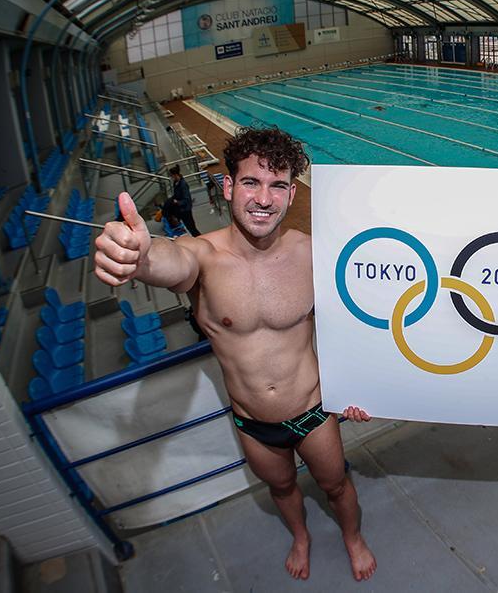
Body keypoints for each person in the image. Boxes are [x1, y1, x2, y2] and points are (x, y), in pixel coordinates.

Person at [94, 127, 376, 582]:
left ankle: (353, 537)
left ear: (290, 195)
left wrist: (363, 389)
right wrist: (140, 258)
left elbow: (360, 321)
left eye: (278, 185)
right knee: (282, 487)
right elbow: (170, 261)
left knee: (337, 484)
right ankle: (300, 537)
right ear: (227, 186)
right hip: (252, 423)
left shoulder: (313, 252)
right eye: (251, 182)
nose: (264, 199)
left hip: (313, 410)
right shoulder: (202, 256)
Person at [163, 165, 201, 237]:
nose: (171, 177)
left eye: (172, 175)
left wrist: (177, 202)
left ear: (175, 175)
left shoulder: (183, 184)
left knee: (191, 227)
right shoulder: (176, 183)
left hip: (185, 209)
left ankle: (199, 238)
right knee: (188, 226)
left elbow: (187, 199)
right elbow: (176, 195)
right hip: (180, 209)